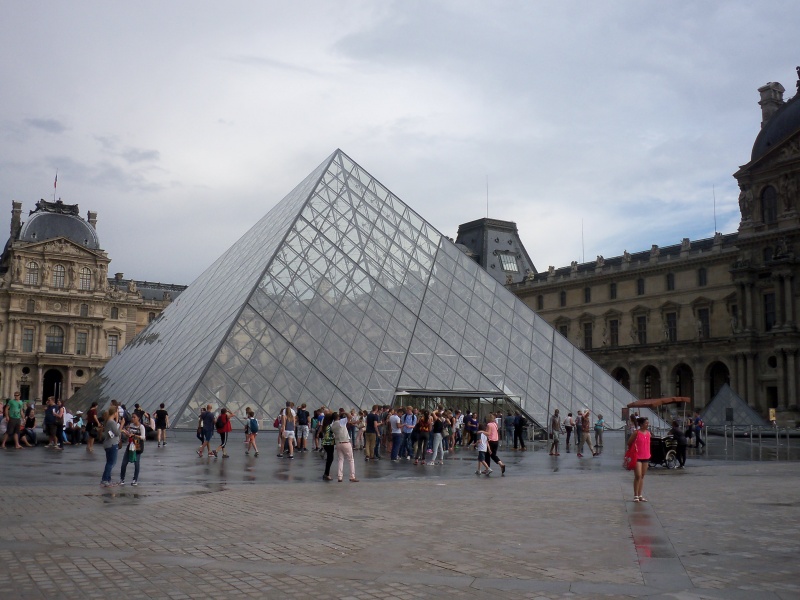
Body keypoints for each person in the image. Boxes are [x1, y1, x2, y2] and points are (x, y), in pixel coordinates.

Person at [627, 417, 651, 502]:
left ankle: (640, 495)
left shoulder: (648, 433)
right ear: (641, 424)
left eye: (648, 423)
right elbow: (629, 443)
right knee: (638, 475)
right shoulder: (636, 433)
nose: (647, 424)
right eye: (646, 423)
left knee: (642, 476)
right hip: (637, 457)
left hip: (646, 456)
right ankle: (635, 495)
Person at [119, 412, 145, 486]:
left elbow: (143, 437)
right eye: (132, 417)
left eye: (134, 417)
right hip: (130, 446)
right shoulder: (131, 425)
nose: (133, 419)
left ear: (138, 418)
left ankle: (135, 479)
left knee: (136, 463)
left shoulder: (141, 426)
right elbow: (129, 436)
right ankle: (122, 478)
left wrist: (135, 435)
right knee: (124, 463)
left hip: (137, 446)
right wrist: (127, 434)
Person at [332, 410, 358, 482]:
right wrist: (344, 412)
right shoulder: (341, 422)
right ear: (338, 417)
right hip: (345, 442)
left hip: (338, 443)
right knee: (351, 460)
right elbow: (350, 417)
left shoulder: (333, 425)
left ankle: (340, 477)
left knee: (340, 460)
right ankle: (352, 476)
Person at [101, 408, 121, 487]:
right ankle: (105, 480)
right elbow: (117, 433)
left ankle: (107, 480)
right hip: (112, 444)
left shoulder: (108, 421)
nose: (118, 414)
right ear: (115, 413)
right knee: (111, 463)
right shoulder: (111, 422)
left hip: (108, 444)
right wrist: (122, 424)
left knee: (109, 462)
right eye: (117, 412)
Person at [320, 412, 336, 480]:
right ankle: (326, 474)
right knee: (330, 458)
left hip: (325, 443)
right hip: (329, 443)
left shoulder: (325, 425)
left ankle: (326, 473)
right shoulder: (329, 426)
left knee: (329, 458)